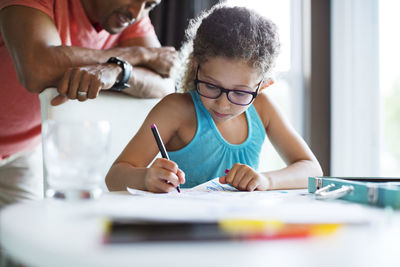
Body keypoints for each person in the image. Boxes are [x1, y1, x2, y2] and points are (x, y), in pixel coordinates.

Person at [105, 4, 323, 193]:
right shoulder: (175, 110)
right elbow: (114, 177)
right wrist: (145, 178)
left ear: (263, 85)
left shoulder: (263, 108)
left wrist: (267, 180)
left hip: (240, 231)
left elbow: (312, 169)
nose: (223, 104)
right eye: (210, 86)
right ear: (195, 68)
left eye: (240, 93)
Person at [0, 0, 177, 208]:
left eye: (149, 5)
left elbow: (164, 82)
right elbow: (37, 68)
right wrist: (137, 55)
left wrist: (119, 71)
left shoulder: (130, 16)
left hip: (24, 150)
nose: (136, 13)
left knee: (25, 239)